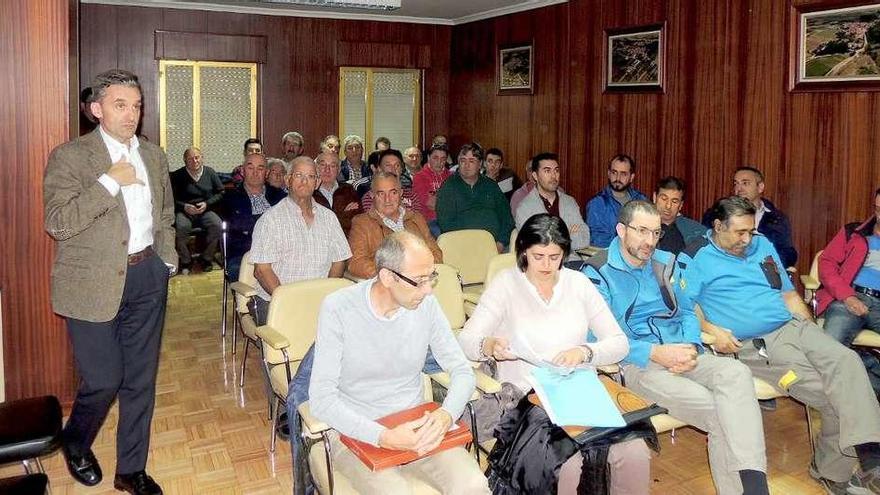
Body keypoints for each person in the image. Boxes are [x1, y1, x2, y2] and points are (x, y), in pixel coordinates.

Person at [679, 195, 880, 493]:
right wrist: (711, 330)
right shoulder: (695, 255)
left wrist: (814, 333)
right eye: (740, 233)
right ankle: (835, 470)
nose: (747, 239)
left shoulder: (761, 244)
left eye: (750, 231)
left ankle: (870, 457)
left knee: (846, 362)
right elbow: (683, 309)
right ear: (718, 226)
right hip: (756, 345)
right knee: (828, 393)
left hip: (794, 326)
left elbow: (787, 294)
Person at [44, 69, 174, 495]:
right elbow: (58, 223)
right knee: (104, 379)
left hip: (147, 277)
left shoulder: (154, 156)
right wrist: (107, 182)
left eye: (136, 105)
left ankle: (130, 470)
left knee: (141, 380)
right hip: (91, 285)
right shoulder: (71, 157)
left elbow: (166, 216)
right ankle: (76, 440)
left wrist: (165, 260)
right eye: (121, 105)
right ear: (96, 109)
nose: (131, 114)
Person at [582, 200, 769, 495]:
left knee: (736, 372)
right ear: (621, 230)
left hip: (682, 351)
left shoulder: (666, 262)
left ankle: (754, 484)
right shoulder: (597, 272)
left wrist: (693, 346)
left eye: (655, 233)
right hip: (639, 363)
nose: (649, 241)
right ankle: (754, 490)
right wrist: (654, 353)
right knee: (722, 413)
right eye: (641, 231)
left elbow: (685, 311)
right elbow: (599, 340)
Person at [457, 213, 650, 494]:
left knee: (634, 453)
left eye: (555, 256)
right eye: (538, 256)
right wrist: (489, 346)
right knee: (564, 463)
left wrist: (585, 352)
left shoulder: (578, 283)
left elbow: (619, 343)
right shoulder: (506, 284)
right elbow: (466, 340)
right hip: (530, 399)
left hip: (580, 394)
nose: (546, 265)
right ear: (523, 251)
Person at [309, 231, 490, 495]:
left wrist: (445, 414)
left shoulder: (426, 304)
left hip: (418, 425)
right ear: (387, 277)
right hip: (357, 432)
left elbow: (462, 371)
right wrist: (383, 436)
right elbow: (321, 400)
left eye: (431, 278)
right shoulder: (339, 308)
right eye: (419, 281)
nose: (428, 289)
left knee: (474, 487)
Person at [248, 156, 352, 325]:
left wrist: (325, 294)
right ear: (288, 180)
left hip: (319, 301)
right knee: (303, 334)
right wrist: (289, 301)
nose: (304, 181)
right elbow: (262, 270)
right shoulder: (270, 220)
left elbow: (339, 260)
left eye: (310, 176)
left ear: (317, 182)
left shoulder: (329, 218)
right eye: (298, 175)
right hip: (277, 301)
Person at [817, 187, 880, 395]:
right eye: (878, 210)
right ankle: (870, 365)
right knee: (829, 348)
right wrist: (848, 296)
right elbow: (826, 264)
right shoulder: (854, 233)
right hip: (851, 296)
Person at [348, 171, 442, 279]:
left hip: (421, 279)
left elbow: (436, 253)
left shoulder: (416, 218)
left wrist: (419, 272)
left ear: (401, 193)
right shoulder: (362, 223)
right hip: (386, 285)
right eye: (381, 194)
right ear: (372, 195)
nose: (387, 199)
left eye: (393, 193)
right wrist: (393, 276)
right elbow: (356, 262)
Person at [702, 166, 797, 268]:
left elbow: (788, 254)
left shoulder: (776, 219)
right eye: (736, 184)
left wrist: (763, 265)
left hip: (762, 274)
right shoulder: (717, 213)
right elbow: (705, 244)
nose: (739, 189)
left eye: (745, 183)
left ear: (760, 187)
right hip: (724, 270)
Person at [436, 143, 515, 252]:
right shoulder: (448, 187)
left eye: (471, 161)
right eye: (463, 160)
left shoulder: (491, 186)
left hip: (496, 245)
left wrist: (501, 243)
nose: (466, 165)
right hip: (463, 247)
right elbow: (446, 224)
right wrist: (470, 245)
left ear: (480, 164)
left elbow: (507, 219)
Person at [221, 152, 286, 281]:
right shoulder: (230, 198)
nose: (255, 172)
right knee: (238, 271)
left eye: (260, 168)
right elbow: (235, 232)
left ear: (266, 173)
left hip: (279, 253)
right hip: (244, 254)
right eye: (250, 168)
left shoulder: (280, 197)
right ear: (243, 171)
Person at [513, 152, 589, 254]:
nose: (554, 176)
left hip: (571, 261)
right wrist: (568, 235)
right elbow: (536, 245)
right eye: (547, 171)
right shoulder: (524, 208)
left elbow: (584, 239)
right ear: (535, 176)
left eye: (556, 170)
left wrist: (552, 237)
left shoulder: (570, 202)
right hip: (541, 265)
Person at [170, 147, 224, 273]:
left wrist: (207, 204)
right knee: (181, 227)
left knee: (217, 225)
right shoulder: (177, 175)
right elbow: (170, 198)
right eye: (190, 158)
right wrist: (184, 206)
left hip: (205, 210)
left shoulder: (210, 172)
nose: (194, 161)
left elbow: (221, 192)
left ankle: (206, 258)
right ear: (184, 160)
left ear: (202, 158)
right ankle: (186, 261)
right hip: (185, 211)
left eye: (197, 157)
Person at [586, 154, 646, 248]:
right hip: (608, 258)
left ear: (631, 177)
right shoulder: (597, 204)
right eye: (614, 172)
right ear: (608, 174)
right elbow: (598, 241)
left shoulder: (642, 201)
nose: (618, 178)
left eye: (623, 174)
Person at [312, 152, 361, 236]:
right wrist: (344, 215)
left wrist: (326, 221)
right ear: (315, 168)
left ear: (338, 170)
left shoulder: (348, 190)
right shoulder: (309, 192)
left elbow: (358, 221)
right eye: (323, 165)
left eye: (332, 166)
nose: (327, 170)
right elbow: (312, 226)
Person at [652, 176, 704, 255]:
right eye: (664, 199)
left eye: (674, 201)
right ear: (655, 197)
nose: (668, 206)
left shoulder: (695, 231)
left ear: (681, 205)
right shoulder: (640, 224)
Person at [412, 144, 452, 237]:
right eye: (435, 158)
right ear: (428, 157)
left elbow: (457, 202)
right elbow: (431, 204)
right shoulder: (419, 177)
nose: (439, 162)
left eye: (443, 159)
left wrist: (437, 197)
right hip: (430, 220)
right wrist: (447, 200)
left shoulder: (451, 176)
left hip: (450, 219)